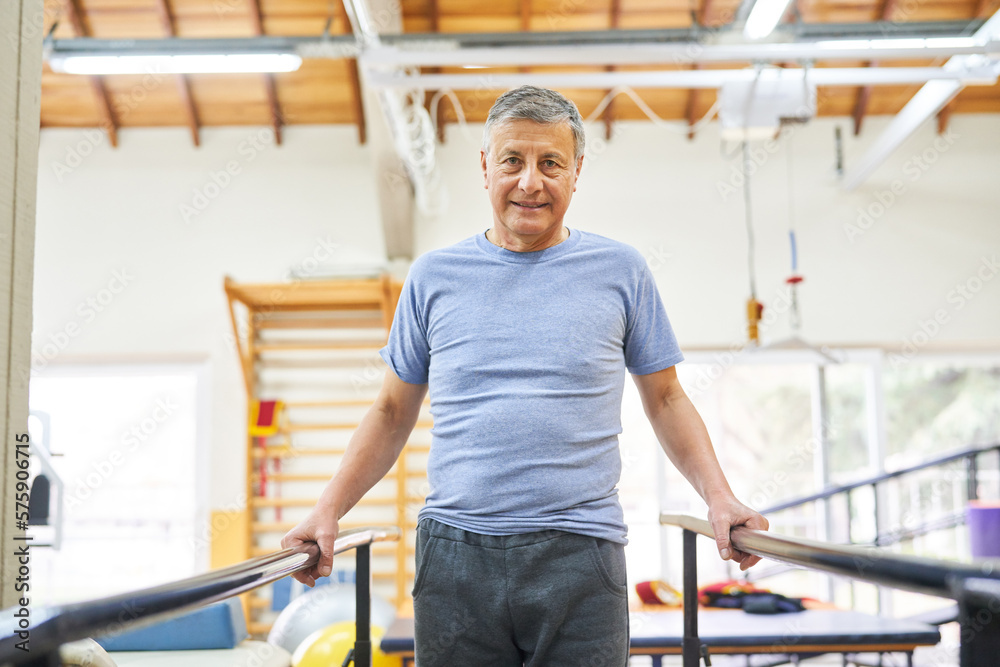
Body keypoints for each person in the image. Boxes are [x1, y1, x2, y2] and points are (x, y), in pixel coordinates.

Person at [281, 85, 768, 666]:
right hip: (456, 555)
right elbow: (390, 412)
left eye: (551, 163)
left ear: (577, 172)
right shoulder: (434, 277)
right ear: (486, 166)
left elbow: (665, 398)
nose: (530, 182)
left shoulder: (621, 271)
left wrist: (720, 498)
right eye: (512, 160)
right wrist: (327, 509)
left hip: (580, 554)